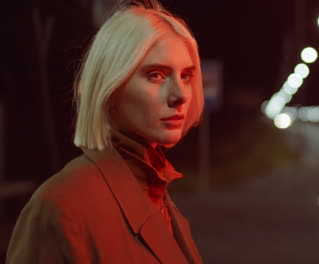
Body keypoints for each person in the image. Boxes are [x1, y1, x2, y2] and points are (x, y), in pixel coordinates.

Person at [6, 1, 204, 263]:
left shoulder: (155, 190)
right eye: (156, 75)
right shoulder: (61, 205)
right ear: (110, 86)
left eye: (186, 76)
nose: (180, 95)